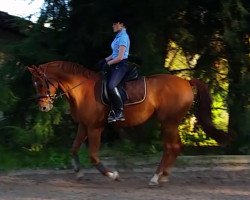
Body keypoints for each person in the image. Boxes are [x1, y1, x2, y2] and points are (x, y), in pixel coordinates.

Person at [99, 17, 130, 123]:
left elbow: (120, 57)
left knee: (111, 85)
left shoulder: (123, 37)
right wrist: (104, 60)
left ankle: (119, 112)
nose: (112, 26)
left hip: (121, 65)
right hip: (115, 63)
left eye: (114, 24)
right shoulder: (118, 37)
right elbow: (114, 54)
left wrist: (108, 64)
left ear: (121, 24)